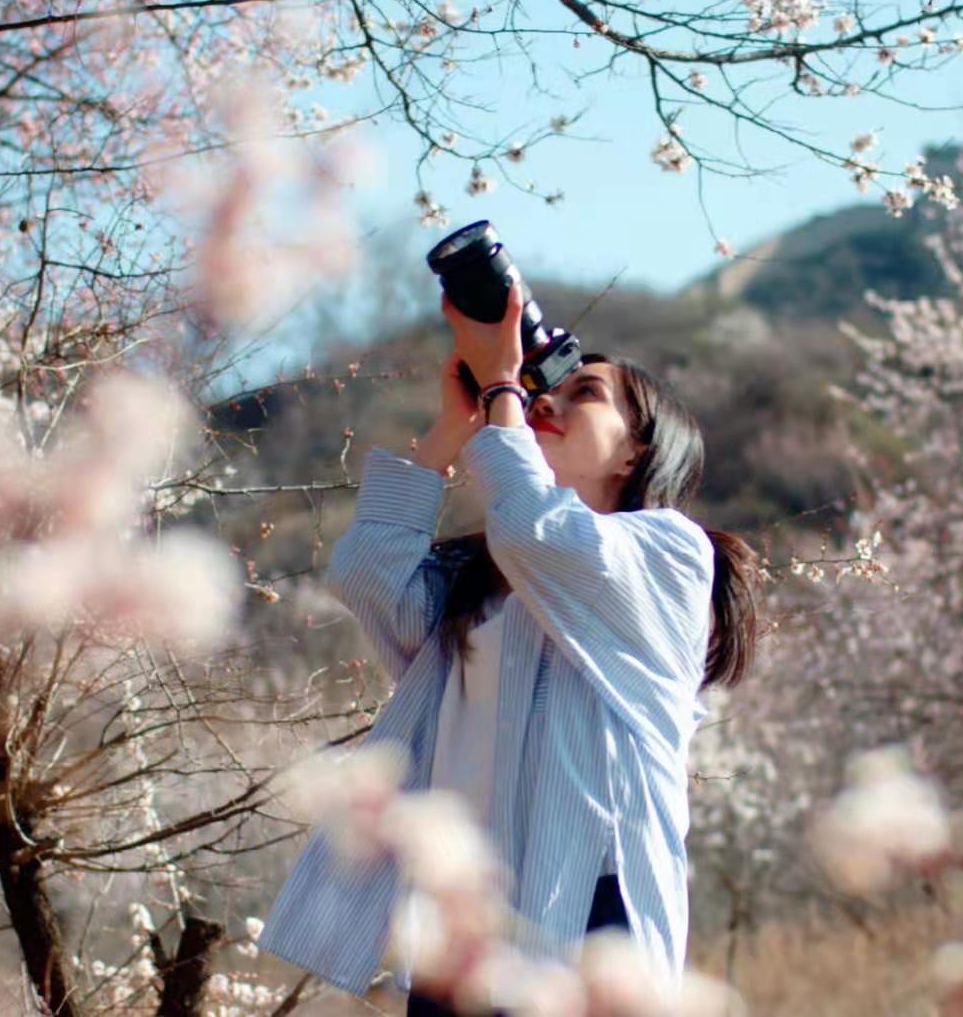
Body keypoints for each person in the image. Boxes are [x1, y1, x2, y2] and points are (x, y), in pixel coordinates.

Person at [259, 284, 760, 1014]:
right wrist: (453, 428)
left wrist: (502, 387)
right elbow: (366, 576)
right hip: (469, 922)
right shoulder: (486, 580)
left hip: (592, 906)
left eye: (585, 393)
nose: (546, 401)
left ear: (637, 450)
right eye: (542, 391)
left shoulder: (669, 552)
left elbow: (539, 534)